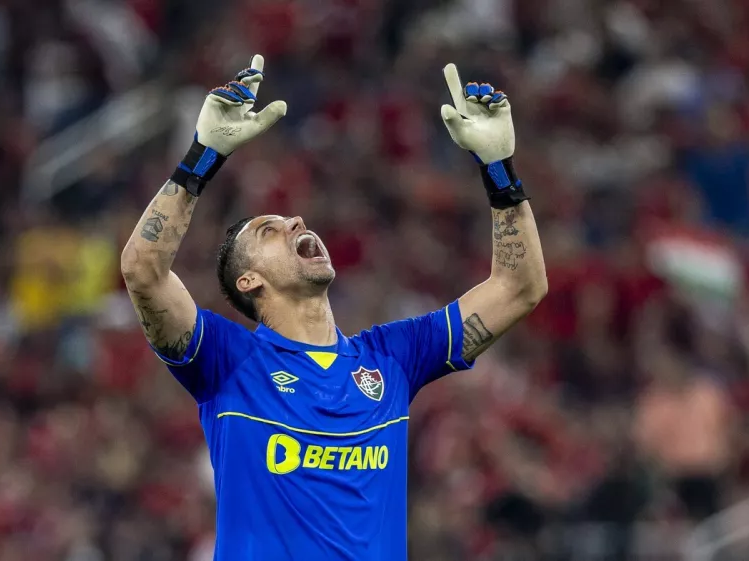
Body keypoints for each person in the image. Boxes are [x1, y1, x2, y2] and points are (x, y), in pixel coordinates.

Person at [119, 54, 547, 560]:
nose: (295, 221)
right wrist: (203, 155)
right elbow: (142, 270)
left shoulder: (392, 358)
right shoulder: (227, 361)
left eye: (290, 219)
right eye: (268, 229)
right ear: (249, 280)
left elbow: (520, 288)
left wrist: (499, 169)